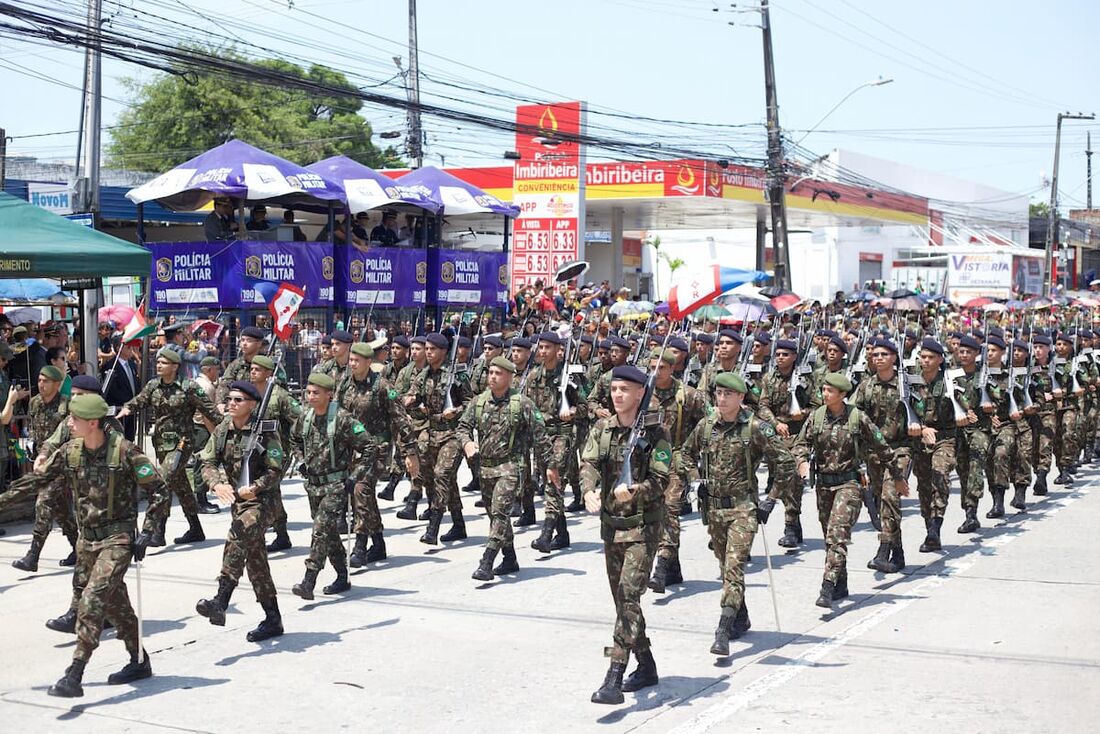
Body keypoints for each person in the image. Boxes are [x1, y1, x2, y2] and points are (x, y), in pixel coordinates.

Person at [36, 393, 169, 698]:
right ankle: (139, 660)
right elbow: (36, 482)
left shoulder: (124, 451)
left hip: (118, 539)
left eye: (74, 418)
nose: (69, 423)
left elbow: (159, 490)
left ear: (93, 422)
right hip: (88, 541)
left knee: (92, 599)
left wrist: (148, 532)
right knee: (116, 605)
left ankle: (75, 673)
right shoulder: (72, 451)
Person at [680, 372, 795, 655]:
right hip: (714, 509)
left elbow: (786, 462)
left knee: (733, 567)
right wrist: (696, 480)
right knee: (725, 568)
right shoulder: (706, 426)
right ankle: (740, 617)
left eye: (728, 394)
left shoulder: (755, 427)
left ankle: (722, 629)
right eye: (718, 393)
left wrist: (771, 499)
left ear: (741, 397)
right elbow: (685, 454)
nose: (721, 399)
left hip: (743, 509)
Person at [581, 365, 672, 705]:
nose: (617, 395)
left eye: (625, 389)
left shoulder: (656, 432)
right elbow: (589, 463)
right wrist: (589, 490)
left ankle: (614, 675)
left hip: (643, 528)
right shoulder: (602, 428)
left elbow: (661, 480)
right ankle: (646, 664)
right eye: (614, 389)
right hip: (612, 527)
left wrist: (635, 490)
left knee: (629, 596)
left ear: (640, 393)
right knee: (623, 602)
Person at [793, 373, 904, 609]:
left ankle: (827, 585)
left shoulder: (857, 417)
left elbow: (882, 447)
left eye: (830, 391)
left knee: (837, 534)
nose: (825, 394)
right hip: (824, 485)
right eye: (823, 390)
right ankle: (840, 583)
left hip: (849, 484)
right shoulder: (816, 417)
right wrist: (801, 462)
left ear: (843, 394)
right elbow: (801, 444)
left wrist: (897, 476)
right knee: (829, 537)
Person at [196, 380, 285, 642]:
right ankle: (273, 619)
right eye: (230, 399)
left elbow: (275, 470)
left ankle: (221, 600)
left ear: (253, 405)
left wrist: (256, 487)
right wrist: (217, 483)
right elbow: (207, 461)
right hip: (239, 502)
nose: (232, 404)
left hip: (263, 501)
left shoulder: (265, 431)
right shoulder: (223, 428)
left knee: (238, 534)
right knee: (255, 560)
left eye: (239, 400)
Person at [458, 356, 553, 580]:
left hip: (511, 467)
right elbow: (462, 427)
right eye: (490, 372)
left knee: (500, 512)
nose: (492, 377)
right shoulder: (479, 402)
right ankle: (509, 558)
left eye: (498, 373)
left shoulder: (522, 404)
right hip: (485, 469)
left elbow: (541, 437)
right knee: (496, 517)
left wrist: (550, 467)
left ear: (510, 377)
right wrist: (467, 443)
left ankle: (486, 561)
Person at [117, 348, 219, 546]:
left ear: (175, 367)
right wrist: (127, 408)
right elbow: (139, 401)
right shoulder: (153, 385)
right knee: (181, 485)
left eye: (163, 363)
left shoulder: (189, 387)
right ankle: (196, 529)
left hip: (182, 444)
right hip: (162, 444)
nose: (158, 365)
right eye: (158, 362)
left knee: (161, 482)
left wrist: (229, 427)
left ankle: (155, 531)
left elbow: (210, 411)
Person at [289, 372, 376, 601]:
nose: (310, 397)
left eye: (316, 393)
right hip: (313, 486)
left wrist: (355, 476)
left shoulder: (343, 419)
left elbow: (369, 447)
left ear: (329, 394)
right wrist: (301, 460)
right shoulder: (305, 417)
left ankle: (308, 581)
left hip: (336, 485)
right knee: (328, 534)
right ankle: (342, 576)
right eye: (308, 392)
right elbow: (294, 439)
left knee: (320, 531)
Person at [340, 342, 420, 567]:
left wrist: (410, 452)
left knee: (361, 488)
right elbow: (337, 412)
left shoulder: (383, 387)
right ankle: (378, 543)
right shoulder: (345, 383)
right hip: (353, 449)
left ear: (368, 362)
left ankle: (360, 545)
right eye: (351, 360)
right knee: (364, 495)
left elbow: (401, 419)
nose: (352, 364)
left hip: (377, 448)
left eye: (357, 361)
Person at [0, 366, 78, 570]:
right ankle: (79, 548)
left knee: (43, 502)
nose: (41, 384)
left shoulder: (67, 405)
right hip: (41, 462)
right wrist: (31, 447)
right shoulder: (34, 402)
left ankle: (32, 556)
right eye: (40, 380)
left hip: (60, 464)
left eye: (46, 381)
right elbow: (32, 427)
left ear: (57, 384)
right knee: (62, 511)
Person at [646, 348, 708, 593]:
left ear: (672, 368)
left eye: (661, 368)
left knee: (669, 510)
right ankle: (674, 568)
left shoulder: (688, 395)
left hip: (676, 460)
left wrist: (695, 453)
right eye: (652, 368)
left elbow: (711, 422)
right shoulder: (643, 393)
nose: (655, 372)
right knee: (652, 513)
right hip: (649, 462)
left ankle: (661, 566)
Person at [403, 333, 474, 544]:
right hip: (431, 432)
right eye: (426, 348)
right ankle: (458, 524)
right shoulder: (423, 374)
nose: (428, 352)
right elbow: (412, 395)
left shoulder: (457, 374)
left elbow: (471, 403)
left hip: (453, 433)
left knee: (442, 474)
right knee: (438, 478)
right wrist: (410, 401)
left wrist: (456, 411)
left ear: (443, 351)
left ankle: (433, 527)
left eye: (432, 349)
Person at [850, 337, 913, 574]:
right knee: (882, 502)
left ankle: (884, 549)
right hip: (874, 453)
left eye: (884, 354)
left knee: (890, 495)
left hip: (900, 449)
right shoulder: (866, 386)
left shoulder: (906, 384)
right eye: (875, 354)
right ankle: (898, 552)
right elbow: (853, 415)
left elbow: (923, 411)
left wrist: (920, 426)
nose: (878, 358)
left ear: (894, 358)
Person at [523, 331, 576, 554]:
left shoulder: (569, 374)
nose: (543, 351)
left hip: (562, 434)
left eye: (547, 347)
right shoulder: (533, 376)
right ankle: (562, 534)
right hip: (542, 437)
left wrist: (572, 411)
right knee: (550, 482)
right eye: (541, 347)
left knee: (553, 482)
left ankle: (546, 535)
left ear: (557, 349)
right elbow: (527, 406)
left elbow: (586, 404)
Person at [754, 338, 810, 548]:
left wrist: (803, 413)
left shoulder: (805, 378)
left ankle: (790, 525)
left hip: (800, 434)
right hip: (777, 434)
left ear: (794, 357)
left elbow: (819, 405)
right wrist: (776, 423)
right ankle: (795, 523)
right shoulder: (769, 378)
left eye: (785, 355)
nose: (780, 358)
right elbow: (763, 406)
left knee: (793, 476)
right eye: (777, 354)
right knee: (782, 477)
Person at [245, 355, 301, 552]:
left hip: (278, 452)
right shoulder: (249, 394)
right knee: (271, 492)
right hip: (255, 450)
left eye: (258, 369)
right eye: (252, 369)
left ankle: (265, 533)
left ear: (269, 373)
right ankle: (282, 535)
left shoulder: (280, 396)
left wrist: (295, 444)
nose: (253, 372)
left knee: (268, 489)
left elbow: (300, 418)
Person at [910, 337, 959, 552]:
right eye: (923, 357)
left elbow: (965, 405)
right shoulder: (911, 382)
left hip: (945, 438)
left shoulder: (949, 381)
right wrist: (921, 428)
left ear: (940, 359)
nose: (926, 361)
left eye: (931, 357)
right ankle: (929, 527)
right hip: (920, 439)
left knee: (940, 476)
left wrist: (965, 413)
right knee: (924, 486)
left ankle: (936, 527)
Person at [215, 326, 266, 409]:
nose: (244, 343)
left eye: (249, 340)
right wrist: (220, 403)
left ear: (259, 344)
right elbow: (224, 384)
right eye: (242, 340)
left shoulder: (267, 365)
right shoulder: (236, 364)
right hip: (239, 407)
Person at [102, 338, 141, 441]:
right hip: (119, 411)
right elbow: (112, 390)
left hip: (131, 411)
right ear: (119, 348)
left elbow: (136, 384)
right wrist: (127, 402)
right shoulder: (111, 366)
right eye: (128, 347)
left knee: (130, 439)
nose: (131, 349)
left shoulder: (132, 364)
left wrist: (134, 402)